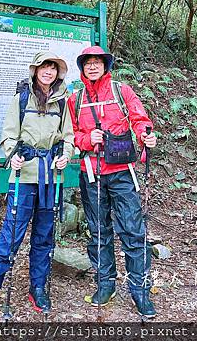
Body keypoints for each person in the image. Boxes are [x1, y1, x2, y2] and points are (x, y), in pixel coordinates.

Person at [0, 51, 74, 321]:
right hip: (23, 176)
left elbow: (69, 137)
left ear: (57, 73)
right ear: (35, 70)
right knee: (11, 236)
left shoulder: (63, 103)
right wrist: (12, 154)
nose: (48, 72)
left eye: (53, 68)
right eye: (44, 67)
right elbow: (8, 135)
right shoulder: (22, 98)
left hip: (52, 177)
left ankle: (38, 287)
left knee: (44, 237)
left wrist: (66, 155)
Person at [67, 45, 157, 318]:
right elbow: (70, 135)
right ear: (82, 67)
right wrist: (86, 139)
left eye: (97, 62)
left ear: (106, 65)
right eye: (88, 63)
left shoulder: (122, 91)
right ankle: (105, 284)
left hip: (121, 171)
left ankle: (140, 290)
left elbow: (140, 119)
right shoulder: (76, 99)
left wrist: (146, 136)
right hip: (91, 172)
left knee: (132, 229)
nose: (92, 66)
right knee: (98, 230)